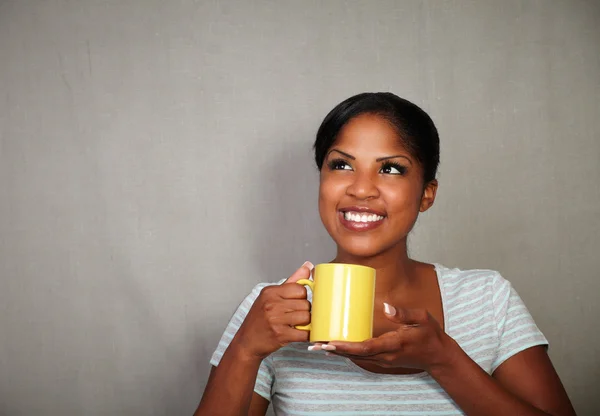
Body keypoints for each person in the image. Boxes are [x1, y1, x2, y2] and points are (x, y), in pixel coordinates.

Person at [195, 93, 575, 415]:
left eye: (391, 169)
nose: (361, 189)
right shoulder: (269, 311)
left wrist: (444, 359)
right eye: (341, 165)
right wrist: (244, 349)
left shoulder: (487, 299)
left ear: (427, 194)